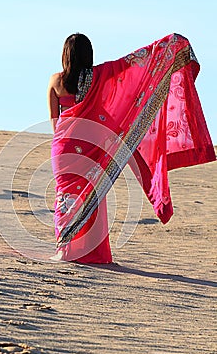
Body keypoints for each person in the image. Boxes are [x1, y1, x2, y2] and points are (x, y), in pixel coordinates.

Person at [47, 33, 216, 264]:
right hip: (91, 147)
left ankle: (65, 249)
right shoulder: (99, 76)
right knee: (92, 196)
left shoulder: (55, 81)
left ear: (65, 55)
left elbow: (55, 120)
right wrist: (166, 48)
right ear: (89, 55)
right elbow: (130, 66)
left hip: (63, 147)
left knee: (65, 195)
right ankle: (90, 253)